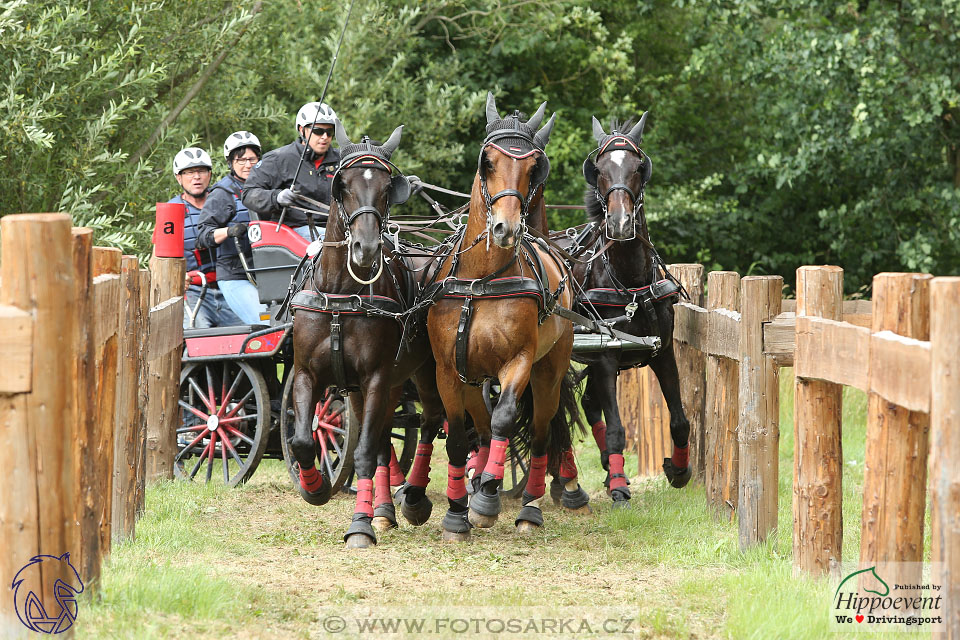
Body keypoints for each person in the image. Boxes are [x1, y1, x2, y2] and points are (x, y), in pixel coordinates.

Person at [241, 102, 341, 241]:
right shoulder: (278, 159)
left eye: (329, 132)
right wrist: (276, 197)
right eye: (318, 131)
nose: (324, 136)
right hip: (296, 231)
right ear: (302, 130)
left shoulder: (342, 160)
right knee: (332, 240)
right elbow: (249, 194)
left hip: (339, 228)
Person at [196, 131, 268, 325]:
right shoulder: (222, 194)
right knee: (265, 322)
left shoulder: (268, 187)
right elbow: (202, 235)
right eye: (241, 160)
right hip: (236, 274)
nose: (247, 165)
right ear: (230, 162)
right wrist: (230, 231)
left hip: (268, 270)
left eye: (252, 159)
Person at [169, 146, 243, 329]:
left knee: (255, 336)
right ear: (179, 177)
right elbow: (158, 259)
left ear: (209, 174)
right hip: (195, 291)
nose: (196, 177)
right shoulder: (171, 212)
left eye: (201, 171)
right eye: (189, 172)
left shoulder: (227, 200)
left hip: (233, 284)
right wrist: (176, 276)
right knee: (196, 339)